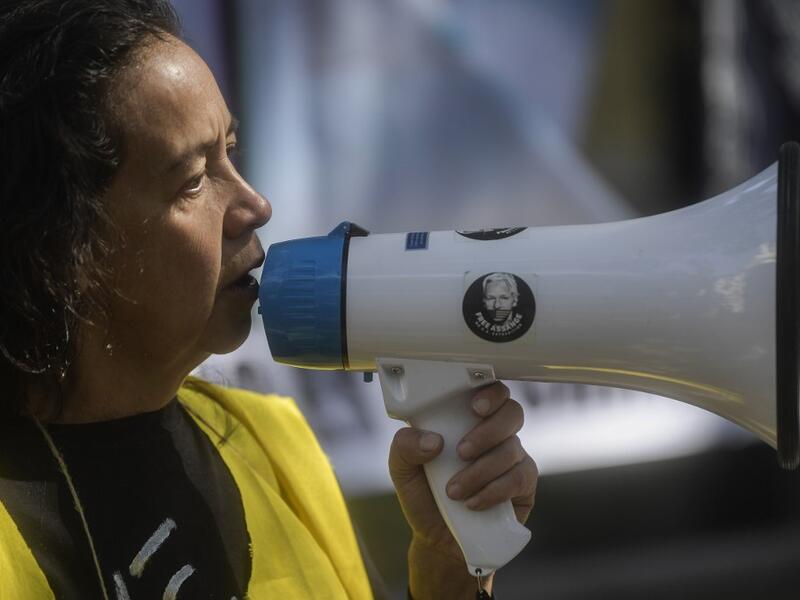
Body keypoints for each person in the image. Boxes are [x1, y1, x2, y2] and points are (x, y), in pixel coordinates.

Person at [0, 1, 538, 598]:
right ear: (64, 243)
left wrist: (448, 575)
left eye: (231, 150)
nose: (255, 206)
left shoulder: (273, 441)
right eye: (194, 180)